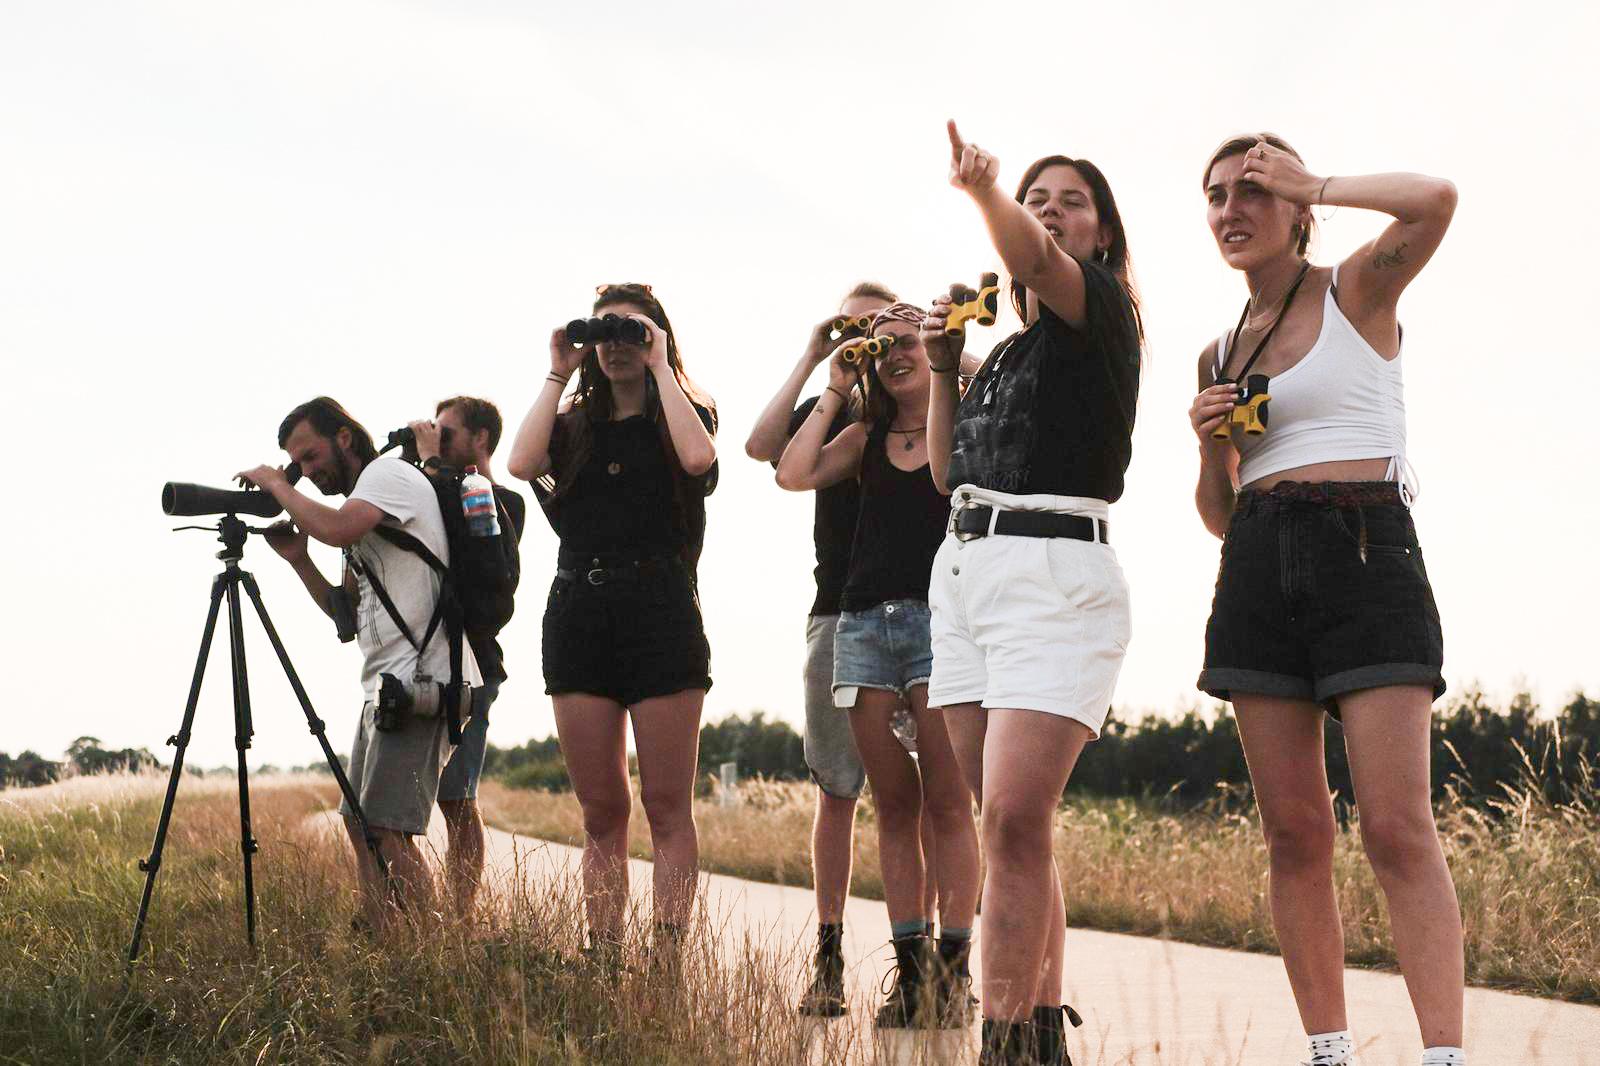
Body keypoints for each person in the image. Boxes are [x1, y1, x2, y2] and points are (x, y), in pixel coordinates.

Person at [1188, 134, 1461, 1066]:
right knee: (1295, 833)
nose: (1233, 209)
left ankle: (1444, 1056)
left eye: (1255, 190)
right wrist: (1207, 449)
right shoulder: (1217, 353)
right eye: (1218, 195)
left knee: (1395, 827)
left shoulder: (1356, 290)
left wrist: (1316, 182)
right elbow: (1221, 516)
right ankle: (1330, 1052)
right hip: (1257, 564)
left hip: (1364, 548)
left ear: (1298, 209)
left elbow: (1434, 197)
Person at [924, 121, 1143, 1065]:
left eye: (1070, 202)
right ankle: (1041, 1031)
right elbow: (947, 473)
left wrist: (986, 191)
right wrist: (944, 369)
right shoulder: (1012, 354)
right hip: (966, 570)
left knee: (1014, 819)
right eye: (1037, 198)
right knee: (1007, 828)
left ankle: (1003, 1043)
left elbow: (1034, 258)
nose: (1050, 212)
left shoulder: (1101, 309)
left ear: (1101, 233)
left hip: (1055, 574)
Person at [777, 303, 981, 1029]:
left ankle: (953, 975)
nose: (894, 355)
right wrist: (837, 383)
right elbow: (792, 472)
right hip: (862, 625)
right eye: (881, 346)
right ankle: (912, 974)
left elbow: (984, 410)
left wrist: (952, 354)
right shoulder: (864, 435)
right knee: (894, 807)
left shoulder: (963, 423)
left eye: (907, 343)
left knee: (948, 804)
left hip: (939, 625)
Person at [506, 283, 717, 970]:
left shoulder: (685, 411)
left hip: (661, 611)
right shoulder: (570, 425)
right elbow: (520, 464)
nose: (615, 345)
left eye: (632, 331)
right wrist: (558, 370)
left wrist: (660, 367)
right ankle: (603, 957)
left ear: (658, 336)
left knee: (667, 806)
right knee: (601, 812)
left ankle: (667, 961)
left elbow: (698, 459)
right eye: (603, 333)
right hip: (581, 613)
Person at [237, 396, 483, 931]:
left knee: (387, 829)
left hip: (423, 679)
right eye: (295, 464)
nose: (305, 472)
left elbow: (338, 528)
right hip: (385, 685)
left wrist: (278, 486)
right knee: (360, 824)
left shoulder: (387, 476)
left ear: (344, 437)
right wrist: (299, 559)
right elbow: (344, 616)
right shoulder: (362, 505)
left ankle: (432, 949)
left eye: (309, 456)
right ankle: (383, 937)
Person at [744, 281, 895, 1015]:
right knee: (838, 791)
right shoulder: (829, 410)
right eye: (852, 329)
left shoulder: (926, 405)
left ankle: (927, 964)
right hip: (837, 612)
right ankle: (828, 959)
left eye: (880, 329)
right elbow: (761, 449)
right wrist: (815, 357)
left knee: (918, 800)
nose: (865, 341)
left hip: (924, 615)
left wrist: (931, 349)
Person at [407, 395, 527, 915]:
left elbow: (471, 549)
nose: (438, 440)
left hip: (473, 664)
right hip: (423, 659)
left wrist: (431, 462)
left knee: (457, 798)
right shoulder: (434, 486)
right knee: (407, 800)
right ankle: (418, 911)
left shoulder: (503, 501)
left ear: (481, 439)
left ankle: (460, 916)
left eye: (447, 432)